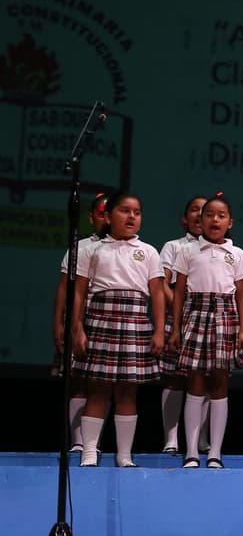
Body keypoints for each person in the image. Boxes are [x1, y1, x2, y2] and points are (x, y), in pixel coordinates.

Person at [72, 192, 165, 467]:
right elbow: (78, 293)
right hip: (101, 317)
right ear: (108, 216)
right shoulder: (92, 250)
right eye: (124, 211)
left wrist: (159, 330)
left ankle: (124, 455)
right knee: (98, 389)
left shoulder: (147, 251)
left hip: (135, 320)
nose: (131, 217)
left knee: (127, 391)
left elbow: (157, 294)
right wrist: (78, 327)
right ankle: (89, 450)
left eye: (137, 212)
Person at [169, 192, 243, 469]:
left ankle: (215, 452)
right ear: (199, 221)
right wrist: (177, 327)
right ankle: (191, 450)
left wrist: (240, 329)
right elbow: (179, 290)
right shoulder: (188, 250)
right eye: (209, 215)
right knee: (195, 382)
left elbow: (241, 294)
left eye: (221, 215)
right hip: (196, 312)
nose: (215, 219)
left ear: (230, 223)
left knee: (219, 383)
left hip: (225, 316)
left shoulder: (236, 253)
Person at [52, 192, 108, 455]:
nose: (105, 219)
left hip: (105, 319)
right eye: (100, 214)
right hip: (79, 315)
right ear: (92, 217)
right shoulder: (81, 247)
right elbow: (65, 288)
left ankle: (93, 442)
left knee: (102, 381)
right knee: (77, 379)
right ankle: (77, 441)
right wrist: (60, 324)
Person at [158, 195, 207, 456]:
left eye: (205, 210)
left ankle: (200, 437)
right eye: (195, 210)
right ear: (184, 219)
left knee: (204, 379)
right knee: (175, 379)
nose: (200, 215)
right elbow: (162, 282)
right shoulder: (173, 246)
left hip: (206, 318)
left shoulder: (222, 249)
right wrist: (179, 310)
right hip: (178, 317)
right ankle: (171, 437)